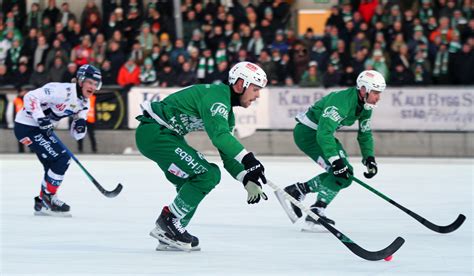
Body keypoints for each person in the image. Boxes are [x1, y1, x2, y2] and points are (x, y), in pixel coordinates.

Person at [135, 61, 268, 251]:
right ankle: (168, 223)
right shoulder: (217, 97)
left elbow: (228, 154)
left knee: (190, 185)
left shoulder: (226, 112)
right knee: (208, 174)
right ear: (240, 85)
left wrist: (246, 178)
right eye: (255, 89)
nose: (257, 95)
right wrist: (249, 159)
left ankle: (170, 234)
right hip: (156, 134)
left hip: (161, 136)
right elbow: (219, 137)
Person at [279, 70, 385, 231]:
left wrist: (369, 157)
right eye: (376, 93)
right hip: (308, 134)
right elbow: (324, 133)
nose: (379, 97)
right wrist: (335, 160)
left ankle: (300, 192)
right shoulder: (341, 102)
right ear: (364, 90)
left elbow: (365, 133)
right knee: (341, 172)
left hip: (321, 135)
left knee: (345, 175)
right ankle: (315, 211)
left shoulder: (366, 106)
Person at [13, 64, 102, 217]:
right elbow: (30, 97)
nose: (93, 87)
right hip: (26, 127)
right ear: (80, 81)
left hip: (40, 130)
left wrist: (80, 125)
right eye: (90, 82)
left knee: (53, 164)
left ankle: (42, 202)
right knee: (62, 158)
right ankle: (49, 199)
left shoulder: (84, 103)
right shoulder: (61, 90)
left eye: (96, 84)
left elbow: (77, 135)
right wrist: (40, 119)